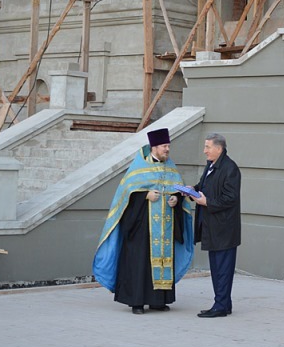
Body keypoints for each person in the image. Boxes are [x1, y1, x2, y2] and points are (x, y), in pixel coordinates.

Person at [93, 128, 194, 314]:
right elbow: (125, 196)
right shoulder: (138, 168)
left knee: (163, 260)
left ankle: (158, 300)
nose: (167, 149)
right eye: (164, 146)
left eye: (168, 146)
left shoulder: (170, 168)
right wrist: (145, 195)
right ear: (154, 147)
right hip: (141, 227)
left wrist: (176, 200)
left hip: (165, 226)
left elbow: (177, 191)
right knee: (140, 263)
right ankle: (137, 302)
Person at [190, 132, 241, 318]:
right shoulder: (211, 165)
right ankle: (224, 304)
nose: (204, 151)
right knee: (217, 268)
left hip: (224, 230)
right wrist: (192, 190)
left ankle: (220, 306)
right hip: (213, 228)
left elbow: (230, 198)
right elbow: (204, 186)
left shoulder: (230, 168)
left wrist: (206, 202)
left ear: (219, 149)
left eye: (207, 147)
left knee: (223, 269)